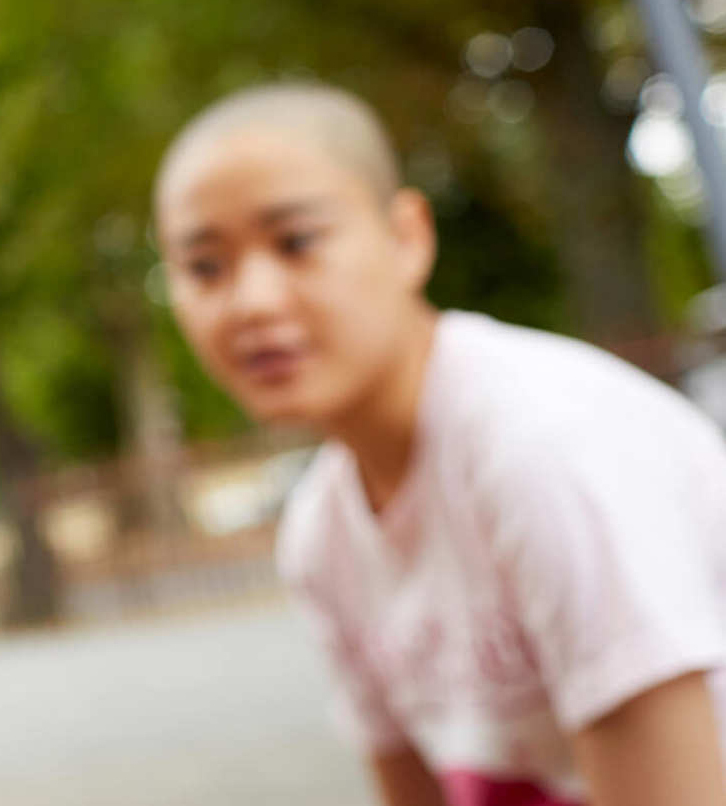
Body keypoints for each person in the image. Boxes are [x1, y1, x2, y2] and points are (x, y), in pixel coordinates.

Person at [156, 82, 726, 805]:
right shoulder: (321, 536)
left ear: (407, 238)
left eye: (297, 243)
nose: (253, 300)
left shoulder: (543, 446)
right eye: (205, 267)